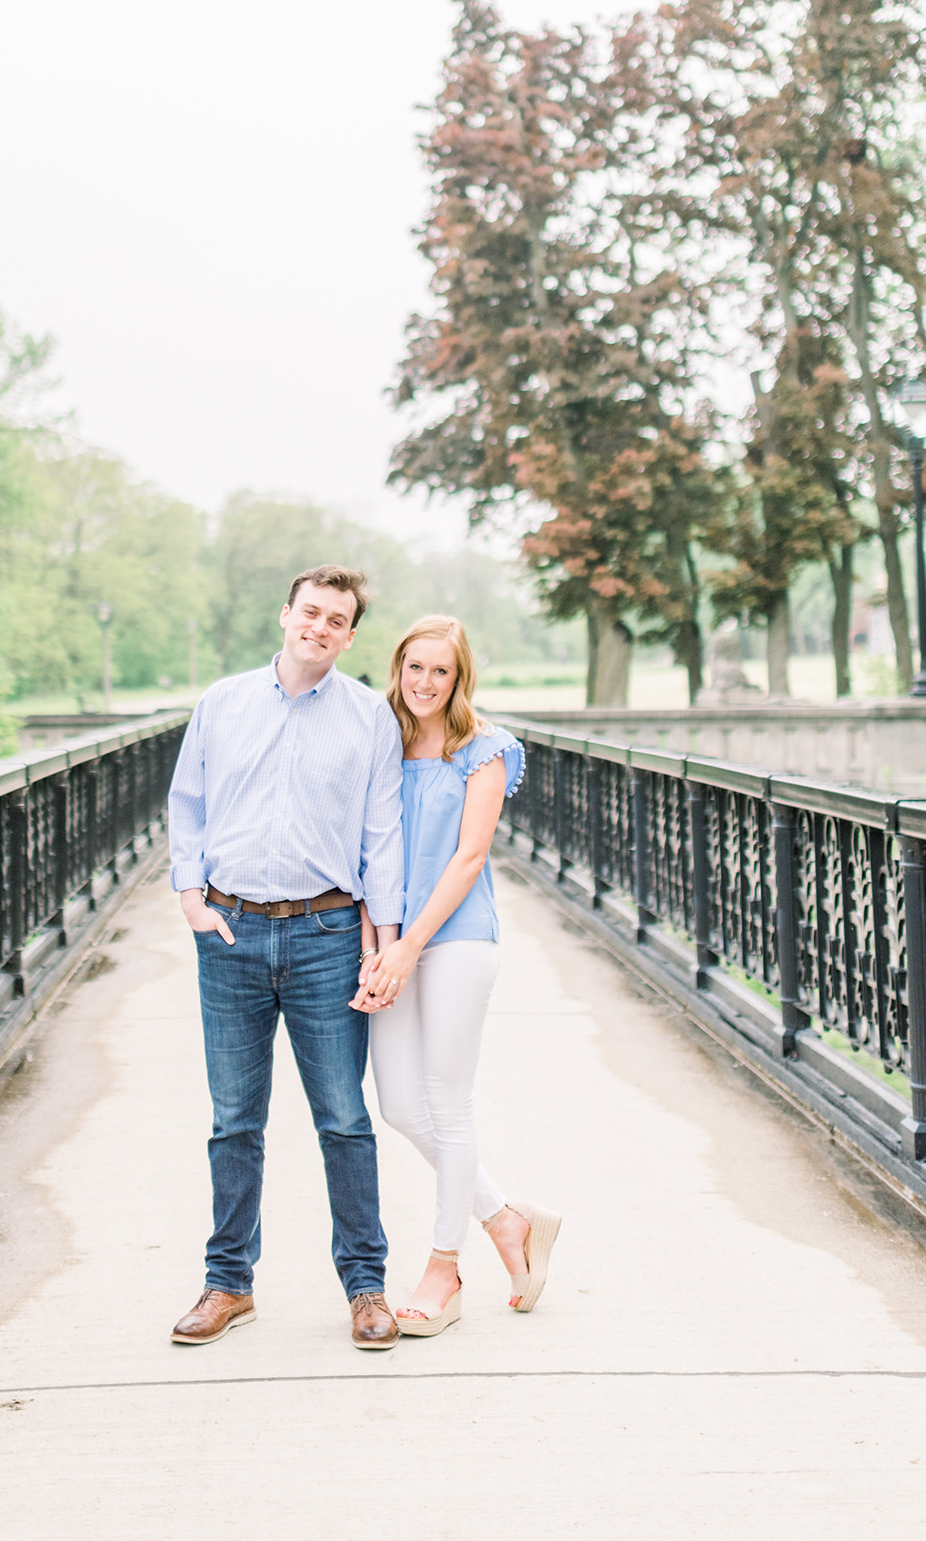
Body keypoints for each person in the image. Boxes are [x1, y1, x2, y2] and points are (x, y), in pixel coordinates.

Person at [167, 564, 406, 1352]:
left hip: (327, 937)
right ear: (286, 615)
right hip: (231, 932)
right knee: (235, 1119)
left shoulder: (371, 717)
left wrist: (384, 938)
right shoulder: (223, 703)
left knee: (343, 1118)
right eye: (311, 612)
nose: (320, 627)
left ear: (348, 634)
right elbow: (188, 801)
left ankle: (366, 1288)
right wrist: (191, 898)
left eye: (338, 620)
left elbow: (381, 835)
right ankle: (228, 1283)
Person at [360, 614, 559, 1335]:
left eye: (440, 670)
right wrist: (376, 949)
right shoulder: (381, 740)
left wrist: (410, 947)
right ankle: (507, 1221)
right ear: (397, 668)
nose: (424, 682)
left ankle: (443, 1268)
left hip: (457, 939)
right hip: (388, 942)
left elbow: (469, 856)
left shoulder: (485, 749)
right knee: (399, 1106)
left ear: (460, 677)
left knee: (446, 1101)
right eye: (414, 667)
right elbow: (366, 854)